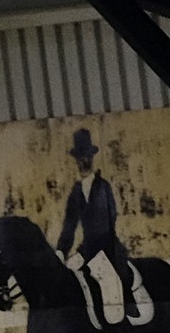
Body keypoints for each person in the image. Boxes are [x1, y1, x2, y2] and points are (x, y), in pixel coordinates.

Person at [56, 127, 138, 320]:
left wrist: (84, 253)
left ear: (92, 158)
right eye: (80, 158)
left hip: (107, 247)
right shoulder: (76, 192)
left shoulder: (102, 187)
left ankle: (126, 315)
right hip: (87, 250)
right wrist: (61, 252)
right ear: (76, 161)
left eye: (87, 157)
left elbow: (105, 226)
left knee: (116, 280)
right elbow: (69, 225)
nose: (84, 161)